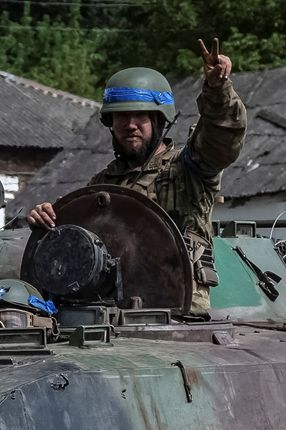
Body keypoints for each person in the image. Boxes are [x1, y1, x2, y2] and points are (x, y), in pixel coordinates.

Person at [26, 38, 247, 315]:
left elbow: (222, 138)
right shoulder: (101, 186)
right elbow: (74, 250)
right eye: (121, 117)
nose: (129, 125)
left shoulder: (190, 168)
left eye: (140, 116)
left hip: (178, 314)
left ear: (159, 120)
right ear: (110, 124)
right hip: (106, 315)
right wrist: (47, 220)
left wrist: (218, 91)